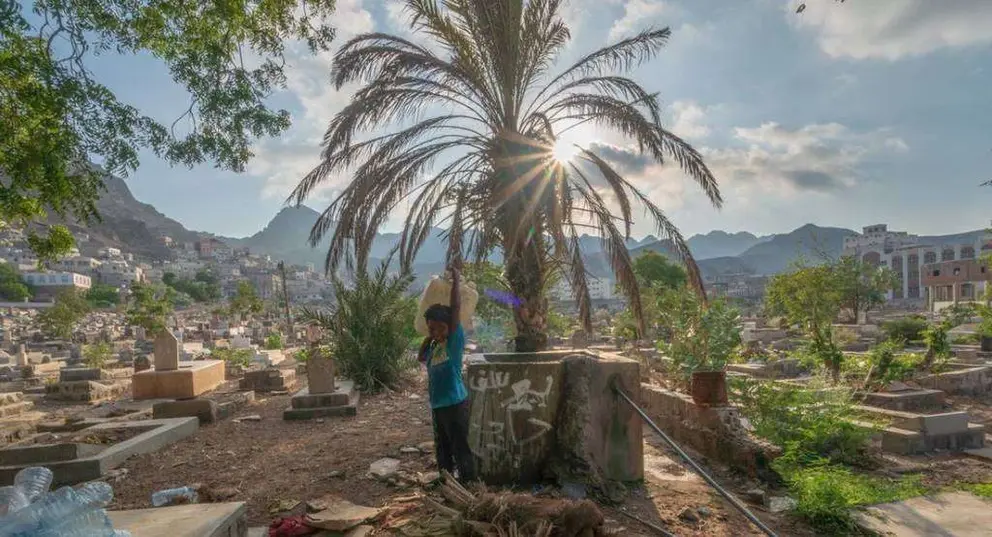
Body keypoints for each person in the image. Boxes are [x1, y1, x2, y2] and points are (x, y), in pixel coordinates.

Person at [419, 265, 476, 482]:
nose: (435, 332)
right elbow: (420, 357)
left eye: (439, 328)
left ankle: (469, 484)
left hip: (454, 404)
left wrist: (456, 280)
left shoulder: (454, 342)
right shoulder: (434, 348)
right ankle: (447, 482)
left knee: (460, 447)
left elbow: (456, 308)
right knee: (442, 449)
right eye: (431, 328)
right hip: (438, 405)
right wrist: (429, 336)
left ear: (449, 327)